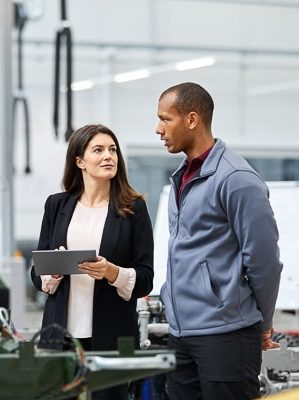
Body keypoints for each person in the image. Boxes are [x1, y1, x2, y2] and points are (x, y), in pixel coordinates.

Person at [155, 82, 283, 400]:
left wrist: (263, 323)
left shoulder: (236, 179)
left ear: (192, 119)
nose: (158, 129)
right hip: (182, 332)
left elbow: (264, 259)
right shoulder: (182, 176)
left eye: (165, 119)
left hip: (226, 333)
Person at [31, 124, 154, 400]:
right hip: (61, 337)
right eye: (98, 150)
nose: (108, 156)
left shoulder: (134, 208)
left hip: (112, 337)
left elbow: (146, 277)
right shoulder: (56, 205)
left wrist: (112, 272)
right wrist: (54, 272)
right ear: (80, 161)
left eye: (112, 150)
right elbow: (37, 274)